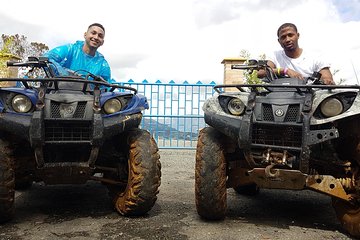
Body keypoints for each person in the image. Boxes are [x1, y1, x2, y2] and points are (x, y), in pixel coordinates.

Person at [259, 23, 335, 85]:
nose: (287, 39)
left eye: (290, 35)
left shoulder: (315, 56)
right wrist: (285, 71)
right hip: (277, 98)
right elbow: (261, 73)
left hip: (309, 98)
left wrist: (326, 81)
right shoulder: (275, 56)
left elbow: (327, 78)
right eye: (283, 37)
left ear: (298, 35)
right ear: (279, 41)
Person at [43, 23, 111, 82]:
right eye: (93, 33)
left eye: (100, 36)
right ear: (85, 35)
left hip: (87, 96)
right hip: (58, 91)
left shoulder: (103, 64)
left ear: (102, 42)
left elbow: (107, 84)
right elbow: (46, 58)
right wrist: (65, 74)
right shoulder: (70, 49)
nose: (96, 37)